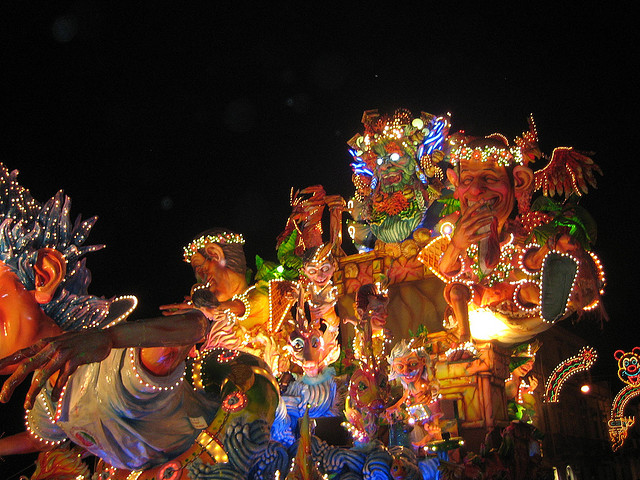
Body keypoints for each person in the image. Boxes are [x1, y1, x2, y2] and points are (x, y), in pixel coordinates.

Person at [0, 166, 279, 477]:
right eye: (199, 272)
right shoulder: (48, 400)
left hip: (222, 453)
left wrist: (108, 339)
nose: (204, 277)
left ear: (44, 276)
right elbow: (41, 438)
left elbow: (191, 328)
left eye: (209, 266)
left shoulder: (115, 365)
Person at [435, 133, 603, 355]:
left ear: (519, 181)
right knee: (457, 290)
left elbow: (526, 263)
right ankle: (464, 341)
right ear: (455, 182)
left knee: (528, 290)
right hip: (472, 315)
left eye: (490, 179)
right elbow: (444, 269)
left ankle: (559, 298)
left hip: (512, 309)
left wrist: (549, 247)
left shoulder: (515, 237)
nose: (476, 190)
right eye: (467, 180)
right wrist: (456, 245)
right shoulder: (456, 236)